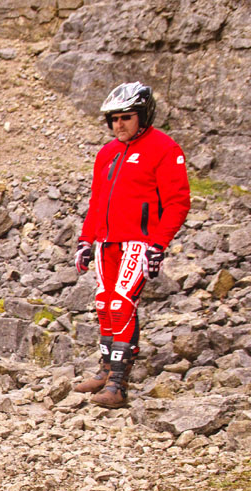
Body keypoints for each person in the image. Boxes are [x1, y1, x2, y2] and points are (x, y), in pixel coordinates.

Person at [74, 82, 190, 408]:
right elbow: (97, 202)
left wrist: (158, 245)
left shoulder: (165, 148)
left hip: (139, 241)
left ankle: (118, 384)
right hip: (106, 242)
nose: (118, 125)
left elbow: (178, 202)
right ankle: (106, 369)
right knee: (103, 304)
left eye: (125, 117)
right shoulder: (107, 153)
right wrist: (85, 240)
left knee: (122, 305)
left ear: (143, 115)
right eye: (113, 119)